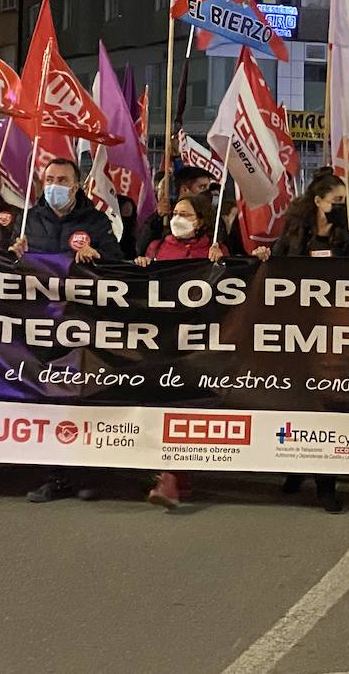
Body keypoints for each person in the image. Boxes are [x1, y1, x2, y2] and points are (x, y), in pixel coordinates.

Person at [272, 173, 349, 513]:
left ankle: (326, 483)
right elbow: (274, 266)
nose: (340, 207)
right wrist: (264, 256)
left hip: (333, 332)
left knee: (326, 405)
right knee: (296, 401)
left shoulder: (345, 237)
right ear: (318, 201)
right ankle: (294, 468)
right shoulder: (294, 235)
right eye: (335, 201)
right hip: (297, 330)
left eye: (343, 202)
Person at [15, 157, 125, 503]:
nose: (55, 185)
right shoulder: (28, 219)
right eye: (49, 179)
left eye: (62, 180)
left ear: (76, 185)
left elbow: (119, 264)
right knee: (50, 399)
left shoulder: (95, 221)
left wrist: (98, 255)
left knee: (85, 398)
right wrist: (14, 253)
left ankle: (90, 475)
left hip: (84, 323)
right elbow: (7, 265)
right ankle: (55, 476)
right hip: (42, 324)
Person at [132, 192, 222, 507]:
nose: (178, 219)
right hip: (160, 340)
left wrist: (220, 263)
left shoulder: (213, 250)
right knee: (163, 404)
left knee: (184, 406)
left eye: (186, 215)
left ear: (202, 221)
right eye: (176, 214)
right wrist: (141, 266)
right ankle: (171, 476)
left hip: (196, 343)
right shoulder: (157, 247)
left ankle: (173, 476)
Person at [135, 165, 215, 255]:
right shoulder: (163, 215)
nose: (207, 192)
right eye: (202, 187)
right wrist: (157, 218)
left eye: (208, 188)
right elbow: (141, 248)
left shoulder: (214, 216)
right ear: (185, 189)